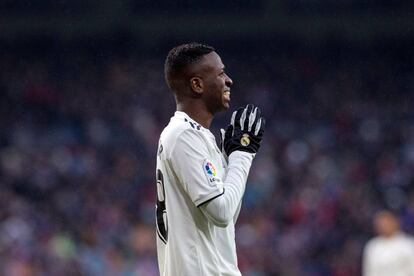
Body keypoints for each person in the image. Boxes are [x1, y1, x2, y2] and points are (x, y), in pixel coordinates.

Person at [155, 42, 265, 275]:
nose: (228, 80)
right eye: (221, 73)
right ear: (197, 84)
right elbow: (221, 213)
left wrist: (227, 160)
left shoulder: (196, 136)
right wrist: (242, 156)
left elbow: (225, 220)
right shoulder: (184, 135)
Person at [363, 210, 414, 276]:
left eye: (386, 222)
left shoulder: (408, 244)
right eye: (380, 224)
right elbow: (369, 271)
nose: (384, 226)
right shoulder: (372, 247)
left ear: (395, 222)